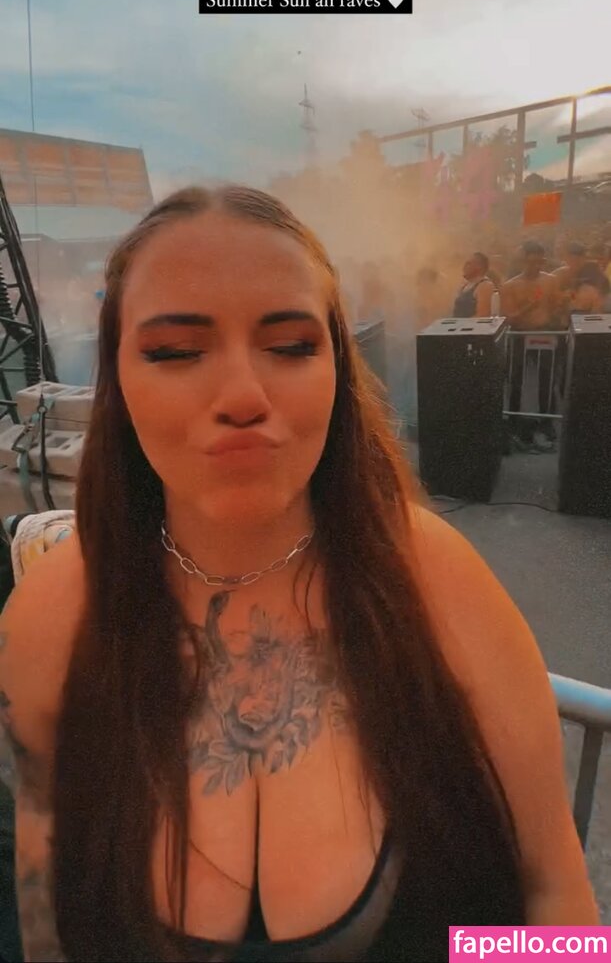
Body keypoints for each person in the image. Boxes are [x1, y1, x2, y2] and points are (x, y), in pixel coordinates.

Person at [0, 187, 598, 963]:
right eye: (175, 351)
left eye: (289, 346)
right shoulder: (53, 615)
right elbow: (44, 902)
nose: (243, 396)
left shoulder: (439, 585)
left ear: (338, 369)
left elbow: (554, 896)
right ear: (115, 380)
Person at [501, 241, 562, 452]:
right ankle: (514, 420)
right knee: (516, 380)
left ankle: (546, 421)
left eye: (539, 262)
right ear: (523, 261)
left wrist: (556, 317)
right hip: (520, 336)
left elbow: (557, 306)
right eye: (531, 261)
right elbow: (509, 317)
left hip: (545, 334)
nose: (535, 266)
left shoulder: (551, 280)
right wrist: (531, 304)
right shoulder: (510, 285)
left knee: (547, 379)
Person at [452, 252, 494, 319]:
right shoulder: (464, 286)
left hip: (470, 325)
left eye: (468, 264)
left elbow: (482, 316)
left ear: (479, 266)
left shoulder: (485, 286)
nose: (464, 267)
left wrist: (460, 324)